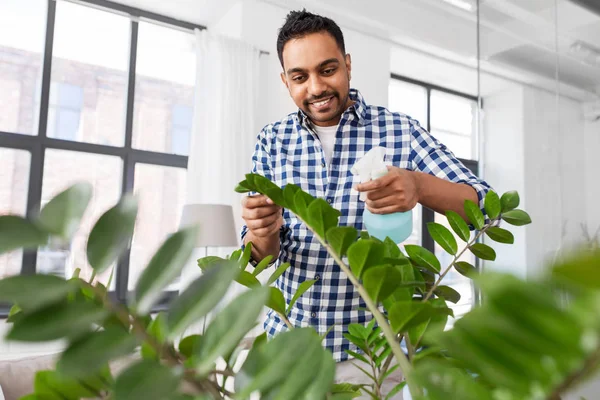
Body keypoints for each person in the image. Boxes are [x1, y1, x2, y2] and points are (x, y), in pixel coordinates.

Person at [240, 9, 492, 397]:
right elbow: (258, 255)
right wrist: (261, 233)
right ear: (285, 81)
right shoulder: (271, 141)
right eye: (300, 77)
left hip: (372, 355)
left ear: (348, 65)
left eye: (327, 70)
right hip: (289, 350)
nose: (316, 87)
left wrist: (419, 185)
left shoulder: (399, 130)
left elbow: (486, 206)